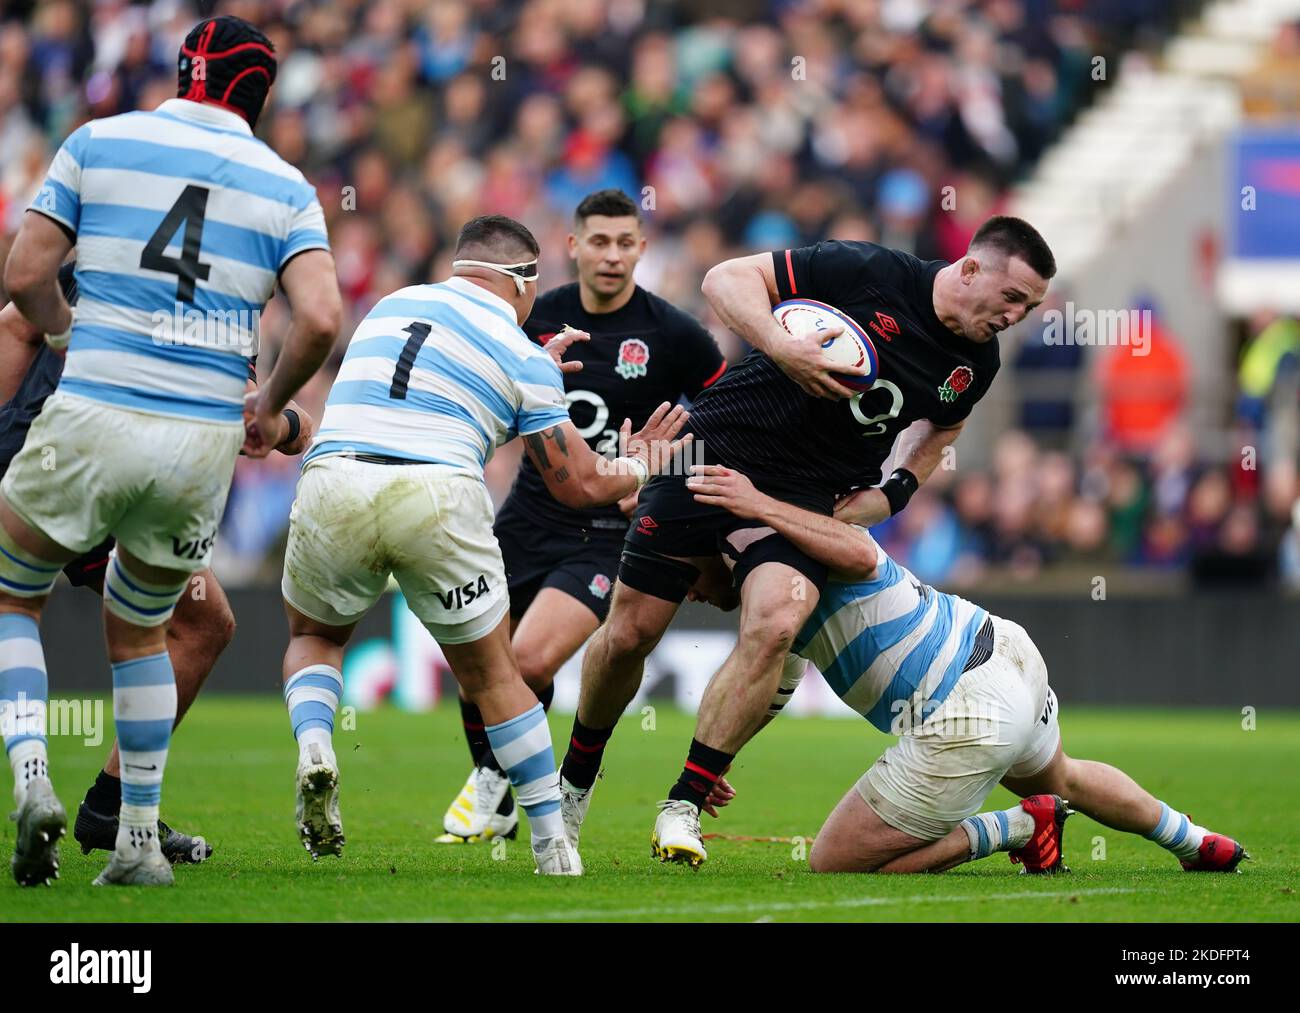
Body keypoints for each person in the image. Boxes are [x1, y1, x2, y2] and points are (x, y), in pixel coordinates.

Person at [557, 216, 1055, 867]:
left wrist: (895, 490)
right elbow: (724, 278)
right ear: (970, 270)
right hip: (713, 450)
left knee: (777, 620)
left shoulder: (975, 362)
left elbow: (940, 430)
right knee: (630, 633)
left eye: (1031, 307)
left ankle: (683, 804)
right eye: (1013, 297)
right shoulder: (869, 270)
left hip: (802, 500)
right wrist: (779, 344)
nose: (1016, 315)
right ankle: (571, 790)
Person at [0, 14, 340, 886]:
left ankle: (31, 775)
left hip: (94, 411)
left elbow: (24, 275)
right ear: (260, 98)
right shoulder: (286, 185)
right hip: (200, 441)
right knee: (145, 628)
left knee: (12, 594)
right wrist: (266, 400)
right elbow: (323, 318)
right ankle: (137, 842)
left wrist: (72, 334)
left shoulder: (98, 141)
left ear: (186, 67)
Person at [276, 214, 691, 876]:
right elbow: (581, 484)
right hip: (437, 492)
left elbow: (428, 409)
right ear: (524, 282)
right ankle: (554, 845)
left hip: (336, 475)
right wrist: (641, 464)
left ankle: (318, 744)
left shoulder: (390, 304)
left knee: (316, 638)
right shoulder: (523, 350)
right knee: (496, 673)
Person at [683, 462, 1249, 875]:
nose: (693, 594)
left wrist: (757, 503)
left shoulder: (805, 537)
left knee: (835, 862)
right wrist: (715, 762)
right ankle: (1195, 841)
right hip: (1003, 649)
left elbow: (859, 552)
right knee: (1065, 774)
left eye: (689, 576)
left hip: (966, 706)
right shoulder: (774, 594)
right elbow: (768, 690)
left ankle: (1019, 826)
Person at [0, 262, 316, 867]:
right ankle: (123, 824)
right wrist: (294, 423)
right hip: (126, 471)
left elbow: (19, 320)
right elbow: (247, 413)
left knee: (195, 621)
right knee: (149, 625)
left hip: (38, 449)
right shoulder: (230, 280)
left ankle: (89, 800)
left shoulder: (110, 232)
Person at [438, 188, 725, 844]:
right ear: (573, 247)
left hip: (608, 531)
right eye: (599, 241)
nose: (613, 255)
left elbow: (726, 421)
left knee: (529, 661)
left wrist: (665, 465)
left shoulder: (674, 334)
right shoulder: (536, 317)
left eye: (626, 243)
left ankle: (492, 787)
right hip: (528, 517)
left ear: (642, 250)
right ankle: (504, 790)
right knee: (472, 661)